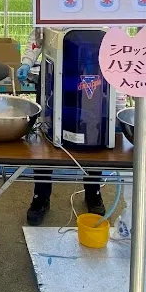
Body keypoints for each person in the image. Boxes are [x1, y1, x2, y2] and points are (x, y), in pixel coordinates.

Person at [17, 26, 105, 226]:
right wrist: (27, 62)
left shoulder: (102, 0)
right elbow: (38, 36)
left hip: (90, 72)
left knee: (93, 131)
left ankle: (93, 192)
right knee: (44, 139)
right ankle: (41, 197)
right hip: (51, 75)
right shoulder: (51, 0)